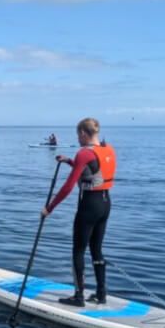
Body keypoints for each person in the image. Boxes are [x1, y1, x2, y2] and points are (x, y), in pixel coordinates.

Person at [41, 117, 116, 307]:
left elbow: (68, 187)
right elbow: (93, 170)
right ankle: (101, 294)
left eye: (78, 135)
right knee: (96, 250)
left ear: (83, 133)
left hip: (89, 205)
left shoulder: (84, 153)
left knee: (78, 250)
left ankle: (78, 296)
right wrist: (69, 161)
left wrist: (49, 208)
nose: (77, 139)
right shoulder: (108, 149)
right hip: (105, 204)